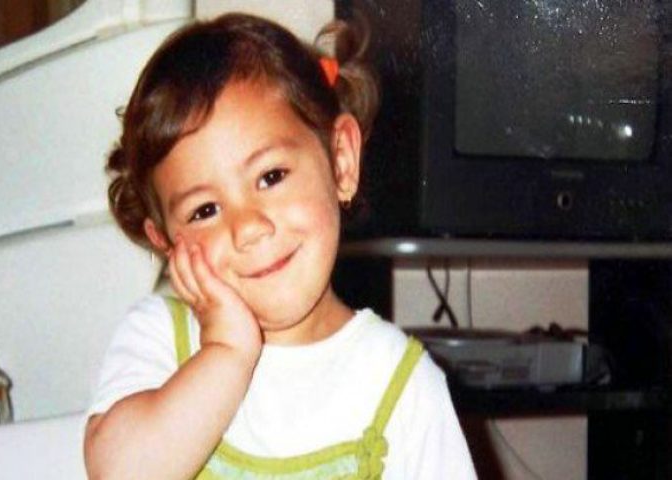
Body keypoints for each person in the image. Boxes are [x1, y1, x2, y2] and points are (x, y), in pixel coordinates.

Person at [83, 11, 476, 479]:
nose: (248, 227)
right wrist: (227, 352)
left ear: (341, 161)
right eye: (204, 210)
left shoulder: (403, 384)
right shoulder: (162, 340)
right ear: (168, 242)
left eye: (271, 176)